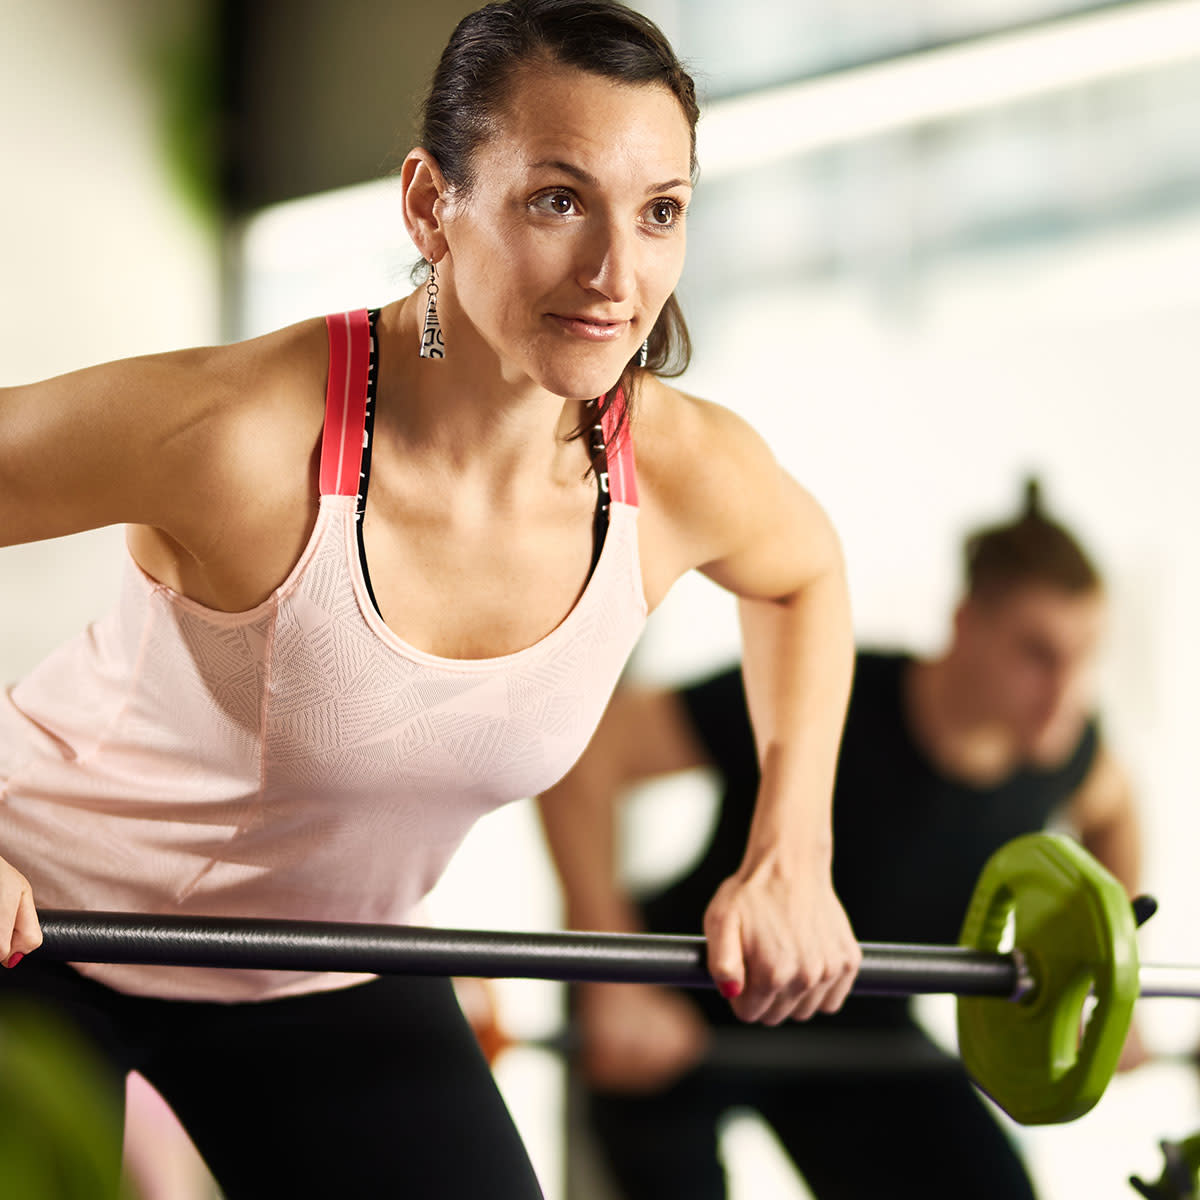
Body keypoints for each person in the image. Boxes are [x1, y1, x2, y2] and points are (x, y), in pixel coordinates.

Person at [0, 2, 863, 1195]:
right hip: (36, 932)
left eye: (660, 211)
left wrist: (792, 851)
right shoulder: (242, 436)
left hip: (320, 968)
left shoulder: (676, 473)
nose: (619, 276)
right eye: (558, 200)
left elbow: (804, 576)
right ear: (429, 205)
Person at [538, 479, 1144, 1200]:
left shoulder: (1064, 749)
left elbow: (1116, 809)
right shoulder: (835, 694)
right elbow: (591, 754)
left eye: (1084, 657)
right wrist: (612, 979)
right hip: (688, 1002)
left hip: (858, 1027)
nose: (1066, 691)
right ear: (965, 625)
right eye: (1038, 654)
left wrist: (1112, 992)